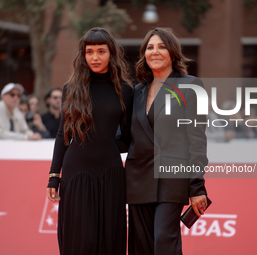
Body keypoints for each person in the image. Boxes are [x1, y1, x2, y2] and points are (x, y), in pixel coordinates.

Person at [46, 27, 133, 255]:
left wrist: (106, 147)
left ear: (111, 54)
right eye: (89, 52)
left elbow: (128, 136)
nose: (95, 57)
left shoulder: (125, 90)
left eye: (101, 51)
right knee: (80, 240)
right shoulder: (71, 89)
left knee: (108, 239)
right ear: (83, 55)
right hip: (76, 172)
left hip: (111, 173)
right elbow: (63, 134)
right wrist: (54, 176)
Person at [125, 28, 208, 255]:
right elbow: (125, 137)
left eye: (161, 46)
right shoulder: (137, 92)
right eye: (150, 47)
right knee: (141, 246)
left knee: (164, 241)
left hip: (172, 178)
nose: (155, 52)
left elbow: (197, 139)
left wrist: (196, 186)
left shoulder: (190, 85)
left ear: (173, 53)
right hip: (138, 178)